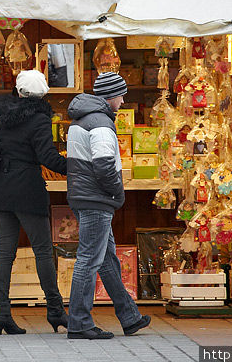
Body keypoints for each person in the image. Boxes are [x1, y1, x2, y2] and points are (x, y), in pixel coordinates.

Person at [65, 72, 150, 339]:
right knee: (90, 260)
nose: (123, 101)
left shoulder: (81, 119)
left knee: (106, 260)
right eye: (121, 95)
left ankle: (129, 316)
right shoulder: (101, 123)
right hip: (96, 198)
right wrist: (117, 193)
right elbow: (103, 163)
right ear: (111, 96)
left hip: (84, 195)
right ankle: (79, 323)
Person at [0, 70, 70, 335]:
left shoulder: (3, 118)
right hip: (28, 190)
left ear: (19, 91)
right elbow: (48, 157)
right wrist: (77, 166)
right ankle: (56, 311)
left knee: (6, 255)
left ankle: (2, 313)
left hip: (2, 189)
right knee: (43, 252)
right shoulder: (39, 119)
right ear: (43, 94)